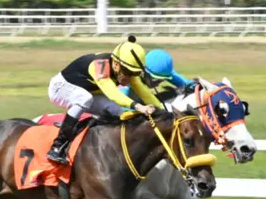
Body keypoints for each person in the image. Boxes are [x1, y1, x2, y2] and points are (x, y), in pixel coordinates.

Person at [46, 35, 164, 165]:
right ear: (116, 64)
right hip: (60, 88)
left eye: (135, 73)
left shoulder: (126, 69)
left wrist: (165, 113)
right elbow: (113, 94)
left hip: (85, 92)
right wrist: (139, 107)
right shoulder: (99, 66)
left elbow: (146, 94)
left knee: (117, 111)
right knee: (85, 99)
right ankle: (57, 145)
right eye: (127, 72)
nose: (130, 77)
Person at [118, 49, 195, 103]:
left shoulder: (162, 71)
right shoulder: (129, 76)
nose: (158, 84)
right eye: (156, 80)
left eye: (162, 80)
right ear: (144, 72)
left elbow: (188, 84)